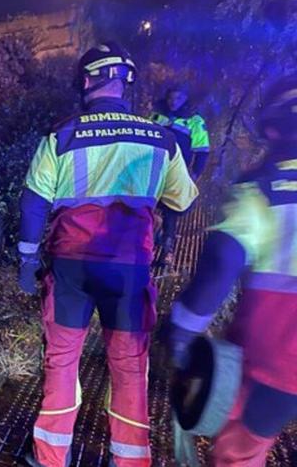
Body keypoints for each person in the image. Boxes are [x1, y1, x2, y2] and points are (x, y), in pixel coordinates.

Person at [17, 42, 198, 467]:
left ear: (86, 81)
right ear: (124, 84)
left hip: (71, 269)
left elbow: (32, 203)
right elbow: (183, 202)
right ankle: (131, 459)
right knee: (130, 366)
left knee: (62, 361)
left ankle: (49, 456)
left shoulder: (60, 135)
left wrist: (27, 263)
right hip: (130, 270)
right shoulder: (162, 139)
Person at [163, 75, 297, 466]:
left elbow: (222, 259)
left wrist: (182, 330)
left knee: (239, 451)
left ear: (272, 128)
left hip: (278, 362)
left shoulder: (265, 190)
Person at [150, 85, 211, 266]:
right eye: (171, 98)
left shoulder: (195, 121)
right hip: (153, 168)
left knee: (171, 210)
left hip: (177, 171)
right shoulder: (156, 115)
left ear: (186, 99)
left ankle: (167, 252)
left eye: (178, 98)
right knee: (148, 206)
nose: (173, 102)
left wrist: (194, 174)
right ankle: (148, 242)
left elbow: (202, 150)